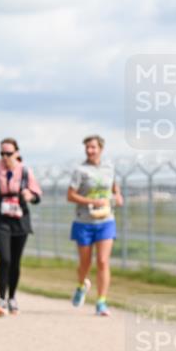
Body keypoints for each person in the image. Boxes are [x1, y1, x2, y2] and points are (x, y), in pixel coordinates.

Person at [0, 138, 42, 316]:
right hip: (0, 220)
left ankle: (12, 297)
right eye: (2, 153)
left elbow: (37, 196)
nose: (5, 157)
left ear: (16, 153)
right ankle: (1, 299)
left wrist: (30, 195)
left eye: (8, 153)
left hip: (20, 219)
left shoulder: (25, 172)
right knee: (5, 259)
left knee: (15, 261)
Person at [66, 135, 122, 317]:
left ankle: (101, 302)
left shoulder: (109, 167)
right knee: (85, 262)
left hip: (106, 221)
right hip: (84, 221)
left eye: (93, 147)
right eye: (87, 148)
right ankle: (81, 286)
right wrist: (91, 201)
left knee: (103, 261)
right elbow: (70, 195)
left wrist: (118, 197)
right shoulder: (80, 170)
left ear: (101, 149)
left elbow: (114, 188)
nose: (90, 150)